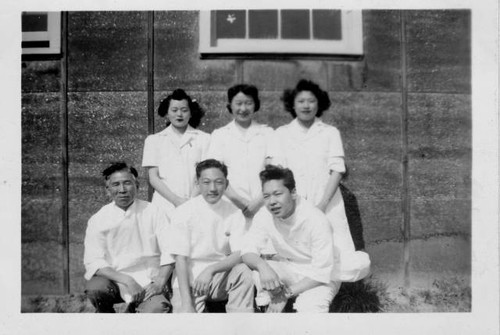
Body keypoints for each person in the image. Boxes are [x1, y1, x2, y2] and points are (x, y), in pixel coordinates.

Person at [271, 79, 370, 283]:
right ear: (292, 104)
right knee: (296, 249)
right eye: (301, 101)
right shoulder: (281, 133)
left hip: (326, 199)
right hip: (294, 199)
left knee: (332, 252)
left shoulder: (330, 132)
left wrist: (322, 204)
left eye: (311, 101)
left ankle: (329, 292)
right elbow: (278, 171)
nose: (306, 106)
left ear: (319, 104)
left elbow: (337, 170)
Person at [241, 165, 338, 313]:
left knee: (309, 307)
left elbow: (321, 273)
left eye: (277, 194)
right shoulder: (265, 214)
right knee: (258, 272)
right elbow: (247, 250)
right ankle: (268, 314)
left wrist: (284, 295)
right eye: (266, 196)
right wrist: (263, 267)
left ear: (293, 193)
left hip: (321, 277)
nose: (272, 202)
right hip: (290, 267)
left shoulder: (316, 219)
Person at [83, 162, 173, 313]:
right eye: (116, 184)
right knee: (96, 288)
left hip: (148, 280)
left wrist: (160, 282)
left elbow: (170, 251)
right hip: (115, 280)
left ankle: (136, 309)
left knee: (157, 309)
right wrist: (127, 280)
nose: (122, 190)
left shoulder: (154, 212)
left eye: (127, 183)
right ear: (108, 189)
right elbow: (94, 261)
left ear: (137, 185)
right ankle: (107, 319)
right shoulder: (98, 219)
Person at [168, 159, 255, 313]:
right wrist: (187, 305)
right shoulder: (183, 212)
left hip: (219, 277)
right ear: (197, 183)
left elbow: (239, 254)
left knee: (244, 272)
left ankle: (240, 322)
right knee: (186, 324)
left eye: (219, 182)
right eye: (206, 182)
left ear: (226, 184)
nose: (213, 188)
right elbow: (180, 260)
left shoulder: (234, 212)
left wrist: (211, 270)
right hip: (189, 281)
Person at [206, 84, 274, 220]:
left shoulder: (268, 133)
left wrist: (256, 203)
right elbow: (216, 174)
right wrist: (242, 204)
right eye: (238, 103)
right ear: (230, 105)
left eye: (248, 103)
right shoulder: (219, 135)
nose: (243, 109)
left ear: (256, 105)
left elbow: (274, 172)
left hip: (263, 205)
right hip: (229, 205)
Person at [142, 88, 210, 218]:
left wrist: (191, 201)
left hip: (196, 201)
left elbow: (205, 174)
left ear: (191, 113)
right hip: (165, 205)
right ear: (167, 113)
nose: (179, 114)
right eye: (174, 110)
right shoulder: (154, 140)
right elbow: (153, 177)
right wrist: (176, 200)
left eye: (184, 110)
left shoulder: (204, 139)